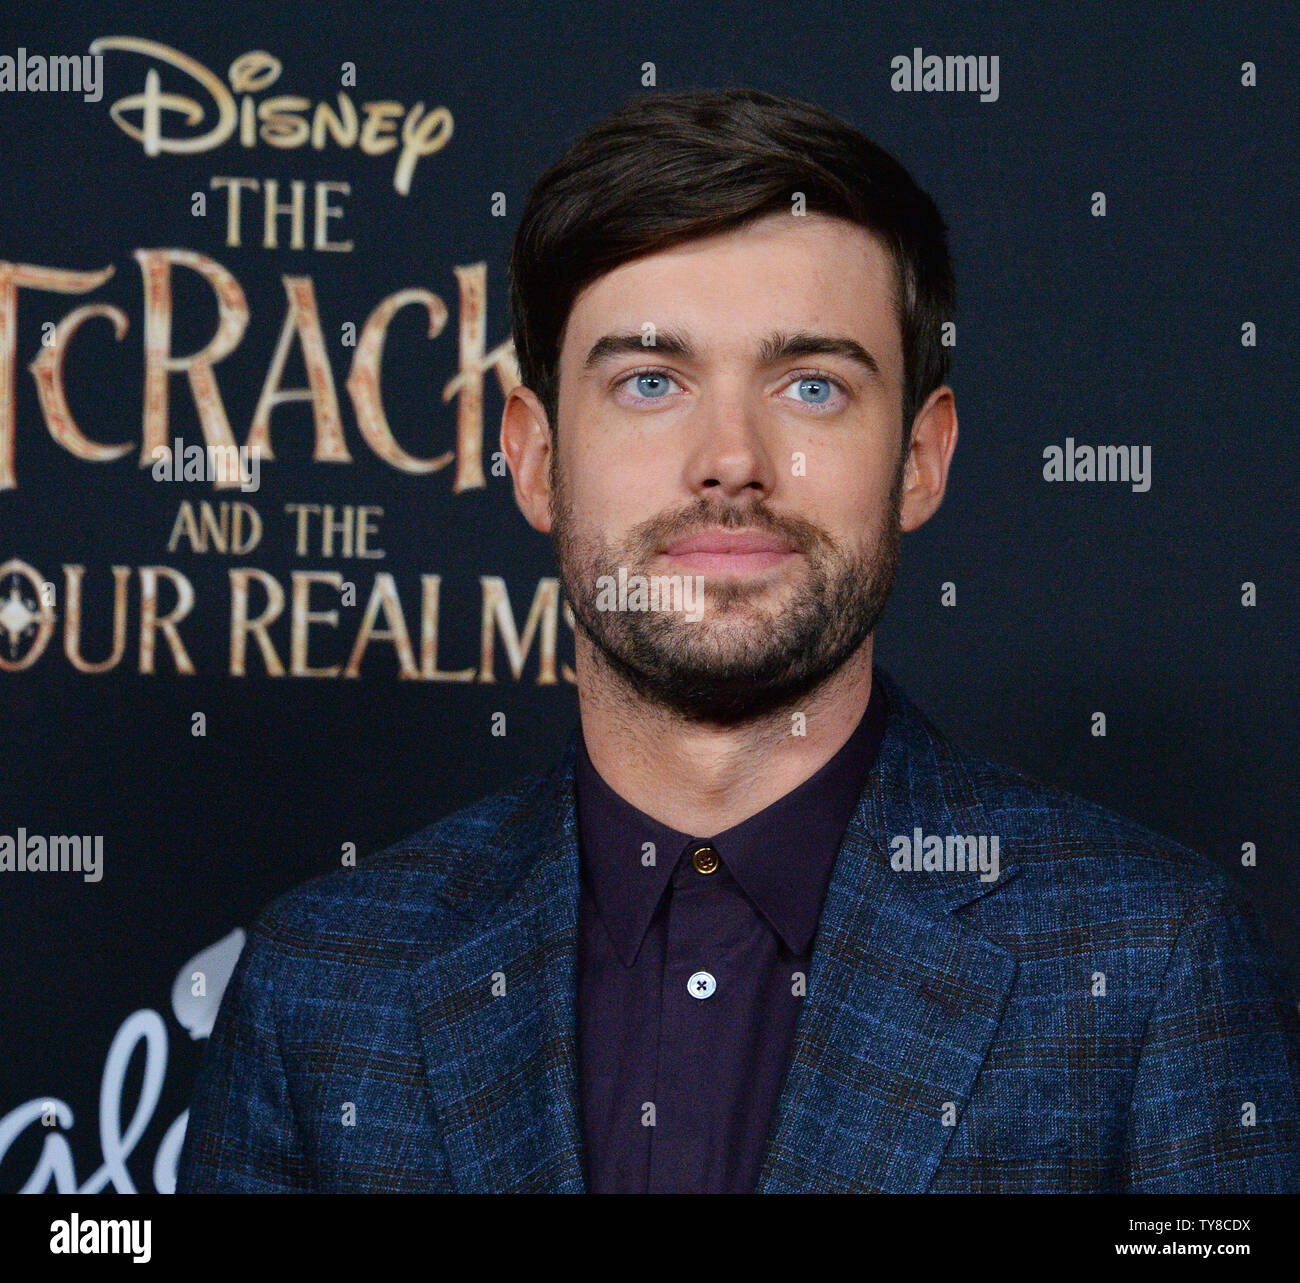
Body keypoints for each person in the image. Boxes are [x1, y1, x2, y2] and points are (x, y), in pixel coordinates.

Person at [176, 87, 1300, 1194]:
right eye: (650, 381)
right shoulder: (324, 983)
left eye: (811, 385)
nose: (729, 457)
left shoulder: (1148, 965)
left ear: (920, 458)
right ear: (532, 455)